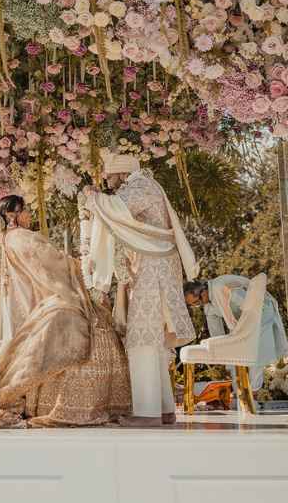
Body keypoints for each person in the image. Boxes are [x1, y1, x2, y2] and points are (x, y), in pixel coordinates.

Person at [0, 194, 131, 428]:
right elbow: (51, 265)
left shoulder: (7, 239)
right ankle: (71, 405)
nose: (29, 215)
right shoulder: (21, 237)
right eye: (25, 210)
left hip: (49, 301)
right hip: (59, 298)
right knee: (83, 327)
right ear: (13, 214)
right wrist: (78, 264)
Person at [81, 152, 198, 427]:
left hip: (153, 272)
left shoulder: (141, 186)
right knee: (153, 342)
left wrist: (91, 197)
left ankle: (147, 413)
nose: (106, 180)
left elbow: (116, 209)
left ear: (122, 172)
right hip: (153, 269)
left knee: (143, 341)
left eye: (109, 175)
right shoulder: (146, 185)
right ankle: (165, 409)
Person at [183, 275, 288, 392]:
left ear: (202, 291)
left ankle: (254, 392)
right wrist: (221, 353)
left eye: (197, 302)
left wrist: (240, 335)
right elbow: (217, 334)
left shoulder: (220, 287)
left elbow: (250, 306)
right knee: (234, 355)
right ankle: (240, 393)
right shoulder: (208, 306)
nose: (199, 305)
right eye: (195, 305)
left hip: (261, 310)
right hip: (243, 323)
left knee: (257, 354)